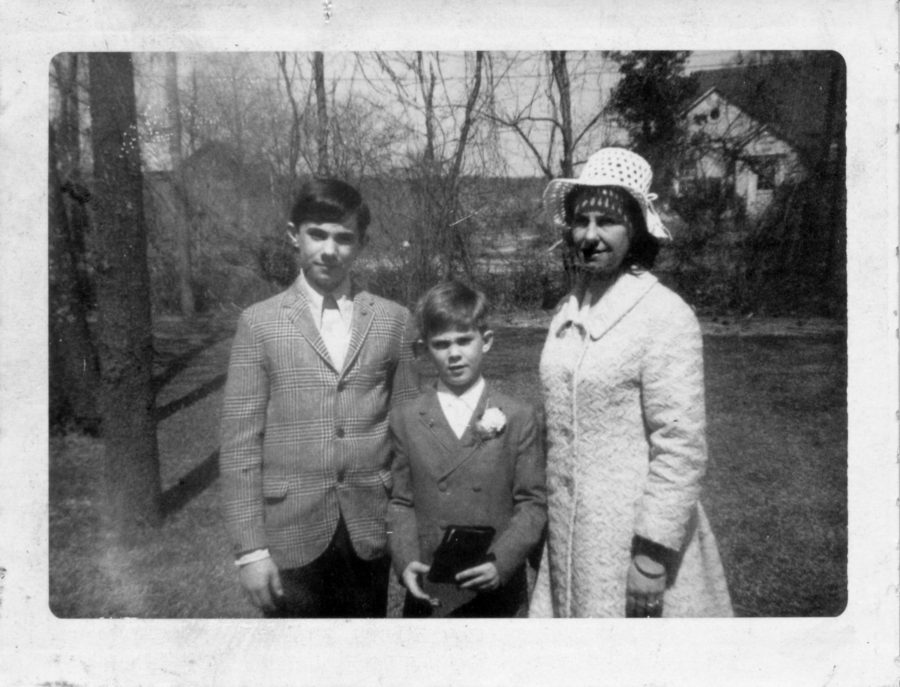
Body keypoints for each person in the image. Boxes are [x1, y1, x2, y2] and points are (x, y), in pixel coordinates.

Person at [529, 148, 732, 618]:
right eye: (582, 221)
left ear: (636, 228)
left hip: (632, 544)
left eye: (608, 222)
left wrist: (651, 555)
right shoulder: (568, 310)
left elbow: (680, 446)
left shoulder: (664, 315)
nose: (591, 236)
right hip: (570, 536)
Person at [219, 177, 420, 618]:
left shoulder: (393, 321)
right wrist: (251, 551)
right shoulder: (259, 323)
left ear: (361, 244)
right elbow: (239, 447)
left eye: (344, 238)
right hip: (290, 529)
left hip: (369, 528)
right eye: (318, 234)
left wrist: (408, 531)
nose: (330, 250)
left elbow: (410, 435)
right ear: (295, 235)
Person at [387, 281, 547, 617]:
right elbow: (400, 502)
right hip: (430, 580)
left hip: (494, 583)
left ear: (486, 341)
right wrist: (405, 561)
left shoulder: (517, 415)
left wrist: (502, 562)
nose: (454, 354)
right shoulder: (406, 418)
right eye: (441, 344)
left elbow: (532, 503)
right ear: (425, 348)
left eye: (464, 340)